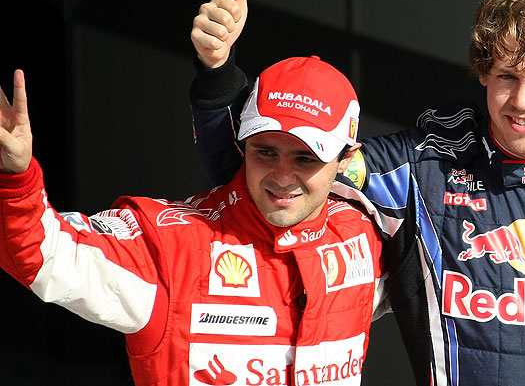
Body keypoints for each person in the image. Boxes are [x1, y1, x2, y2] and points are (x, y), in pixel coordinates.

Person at [189, 0, 525, 386]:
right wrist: (218, 71)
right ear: (485, 70)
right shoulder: (417, 168)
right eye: (507, 75)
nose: (522, 100)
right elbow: (265, 180)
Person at [0, 57, 385, 385]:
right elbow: (45, 252)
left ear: (346, 159)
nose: (282, 176)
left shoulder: (363, 237)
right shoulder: (168, 246)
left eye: (305, 158)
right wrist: (15, 178)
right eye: (265, 151)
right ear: (243, 143)